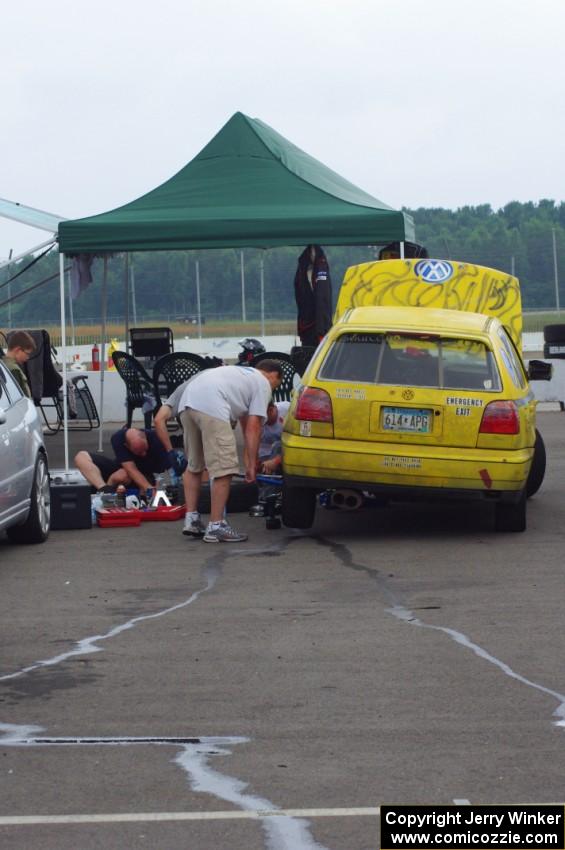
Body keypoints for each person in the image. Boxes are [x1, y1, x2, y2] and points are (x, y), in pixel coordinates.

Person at [177, 361, 283, 543]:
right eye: (277, 384)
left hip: (187, 403)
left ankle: (192, 519)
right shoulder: (262, 383)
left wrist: (250, 459)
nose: (273, 390)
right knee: (225, 468)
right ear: (273, 376)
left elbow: (244, 421)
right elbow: (253, 427)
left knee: (194, 465)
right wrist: (251, 465)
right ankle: (216, 526)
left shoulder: (241, 374)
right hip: (212, 405)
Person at [74, 426, 173, 497]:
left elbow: (169, 469)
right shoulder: (118, 438)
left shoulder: (156, 438)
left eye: (145, 449)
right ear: (127, 446)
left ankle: (105, 493)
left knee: (122, 475)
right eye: (138, 452)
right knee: (81, 457)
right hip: (123, 470)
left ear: (145, 437)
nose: (144, 454)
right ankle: (103, 489)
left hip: (145, 477)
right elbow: (130, 469)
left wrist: (149, 489)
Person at [294, 244, 332, 347]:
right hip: (311, 328)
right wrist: (323, 330)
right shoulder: (307, 265)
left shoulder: (313, 265)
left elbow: (322, 298)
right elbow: (323, 299)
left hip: (309, 327)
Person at [2, 330, 36, 397]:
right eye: (27, 354)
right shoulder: (14, 370)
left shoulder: (3, 364)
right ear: (18, 350)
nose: (28, 357)